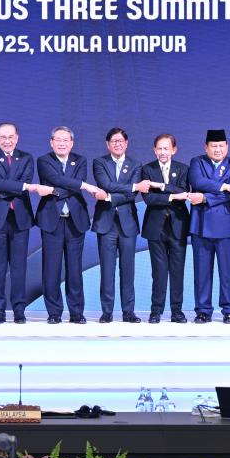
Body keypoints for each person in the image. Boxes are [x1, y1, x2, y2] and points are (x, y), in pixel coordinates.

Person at [0, 122, 52, 324]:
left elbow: (13, 184)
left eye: (10, 137)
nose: (7, 141)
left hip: (20, 218)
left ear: (17, 138)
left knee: (19, 267)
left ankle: (19, 310)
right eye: (3, 137)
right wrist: (23, 186)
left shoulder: (27, 158)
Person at [35, 126, 106, 324]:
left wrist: (54, 191)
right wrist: (84, 186)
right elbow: (56, 179)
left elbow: (68, 183)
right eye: (58, 140)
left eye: (66, 140)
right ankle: (54, 313)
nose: (62, 143)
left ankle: (76, 313)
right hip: (51, 221)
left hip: (76, 221)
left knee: (74, 269)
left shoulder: (80, 160)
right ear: (51, 142)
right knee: (51, 269)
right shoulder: (43, 160)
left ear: (72, 143)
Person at [188, 129, 230, 324]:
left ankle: (229, 310)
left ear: (227, 147)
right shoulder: (197, 162)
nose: (217, 149)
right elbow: (197, 181)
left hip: (227, 224)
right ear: (205, 147)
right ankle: (203, 310)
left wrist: (204, 197)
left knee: (229, 272)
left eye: (221, 146)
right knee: (201, 272)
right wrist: (224, 186)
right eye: (213, 146)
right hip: (201, 225)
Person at [91, 127, 145, 323]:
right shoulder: (99, 162)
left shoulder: (136, 164)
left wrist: (108, 197)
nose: (117, 144)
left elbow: (132, 195)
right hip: (106, 222)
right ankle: (107, 312)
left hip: (127, 223)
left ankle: (128, 311)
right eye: (114, 141)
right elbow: (105, 184)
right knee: (107, 269)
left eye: (121, 141)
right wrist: (132, 186)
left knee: (128, 269)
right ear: (108, 144)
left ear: (126, 143)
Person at [140, 133, 192, 324]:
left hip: (178, 225)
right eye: (159, 148)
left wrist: (160, 186)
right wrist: (172, 196)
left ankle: (177, 311)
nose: (163, 152)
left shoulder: (183, 169)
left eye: (166, 148)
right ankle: (156, 311)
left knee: (177, 271)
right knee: (158, 271)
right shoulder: (147, 169)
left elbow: (184, 191)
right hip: (156, 227)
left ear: (174, 150)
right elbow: (149, 198)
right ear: (154, 150)